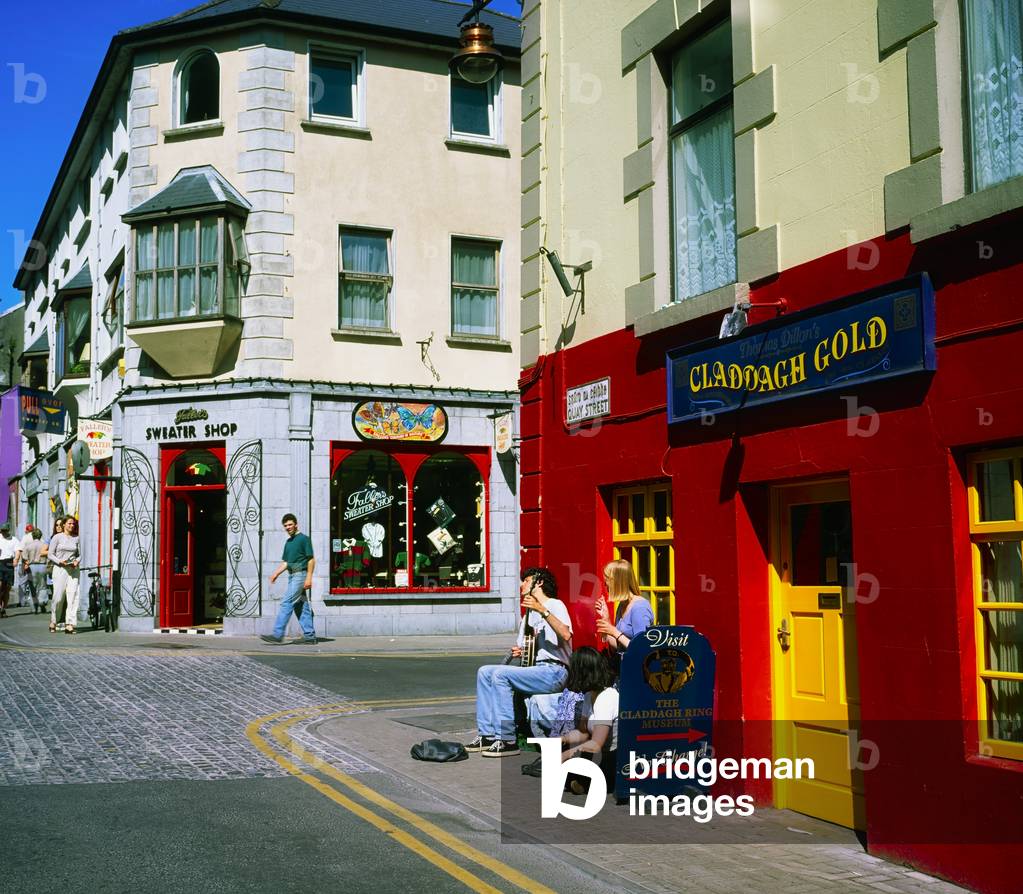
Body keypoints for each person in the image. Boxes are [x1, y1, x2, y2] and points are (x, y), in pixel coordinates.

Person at [466, 567, 573, 758]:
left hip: (555, 671)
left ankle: (507, 740)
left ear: (538, 582)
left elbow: (566, 634)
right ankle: (487, 735)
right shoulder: (528, 615)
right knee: (484, 671)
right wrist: (520, 651)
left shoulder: (555, 605)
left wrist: (542, 610)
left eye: (526, 580)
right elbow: (524, 648)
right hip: (535, 670)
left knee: (500, 675)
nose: (521, 585)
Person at [558, 647, 619, 795]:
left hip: (612, 756)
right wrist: (563, 739)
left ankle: (586, 783)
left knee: (575, 757)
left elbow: (596, 744)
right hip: (598, 753)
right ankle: (580, 782)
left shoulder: (607, 697)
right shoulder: (589, 696)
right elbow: (583, 732)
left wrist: (567, 755)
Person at [262, 513, 316, 645]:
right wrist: (276, 573)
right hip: (292, 575)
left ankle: (277, 634)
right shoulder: (288, 542)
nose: (288, 527)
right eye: (285, 525)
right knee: (301, 606)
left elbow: (311, 559)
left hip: (300, 575)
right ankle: (310, 636)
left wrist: (308, 578)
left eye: (290, 524)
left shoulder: (304, 539)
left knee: (287, 603)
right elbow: (286, 562)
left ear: (296, 524)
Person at [595, 559, 654, 669]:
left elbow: (642, 649)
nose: (604, 585)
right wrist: (606, 619)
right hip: (624, 669)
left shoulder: (639, 608)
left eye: (606, 581)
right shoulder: (622, 605)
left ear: (617, 582)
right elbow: (618, 647)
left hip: (639, 673)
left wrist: (614, 632)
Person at [48, 516, 80, 634]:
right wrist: (59, 561)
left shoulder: (77, 538)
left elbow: (81, 553)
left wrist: (77, 560)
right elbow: (50, 554)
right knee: (58, 597)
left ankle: (69, 624)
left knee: (73, 596)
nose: (72, 526)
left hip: (73, 570)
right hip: (60, 569)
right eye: (69, 524)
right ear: (64, 525)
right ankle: (53, 620)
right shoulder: (57, 537)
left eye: (73, 524)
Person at [16, 529, 47, 614]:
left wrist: (26, 563)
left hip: (32, 566)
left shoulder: (28, 546)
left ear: (33, 536)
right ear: (40, 536)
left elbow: (24, 557)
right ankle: (42, 601)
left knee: (32, 587)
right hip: (42, 566)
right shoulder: (44, 545)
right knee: (42, 586)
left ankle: (34, 607)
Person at [0, 525, 17, 617]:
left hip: (9, 563)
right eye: (2, 531)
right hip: (0, 562)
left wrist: (16, 559)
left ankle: (3, 608)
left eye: (5, 531)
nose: (3, 533)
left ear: (8, 530)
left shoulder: (13, 539)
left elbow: (18, 550)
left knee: (7, 588)